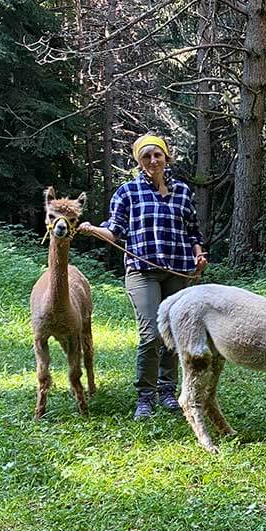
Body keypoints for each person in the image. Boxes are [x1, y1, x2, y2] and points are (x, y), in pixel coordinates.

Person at [78, 134, 207, 419]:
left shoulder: (183, 192)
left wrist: (198, 254)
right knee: (151, 334)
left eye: (157, 155)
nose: (152, 161)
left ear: (166, 158)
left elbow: (193, 232)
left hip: (177, 271)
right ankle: (145, 397)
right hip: (142, 273)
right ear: (138, 162)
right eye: (146, 156)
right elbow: (114, 231)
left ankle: (167, 390)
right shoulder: (127, 192)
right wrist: (91, 228)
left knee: (173, 333)